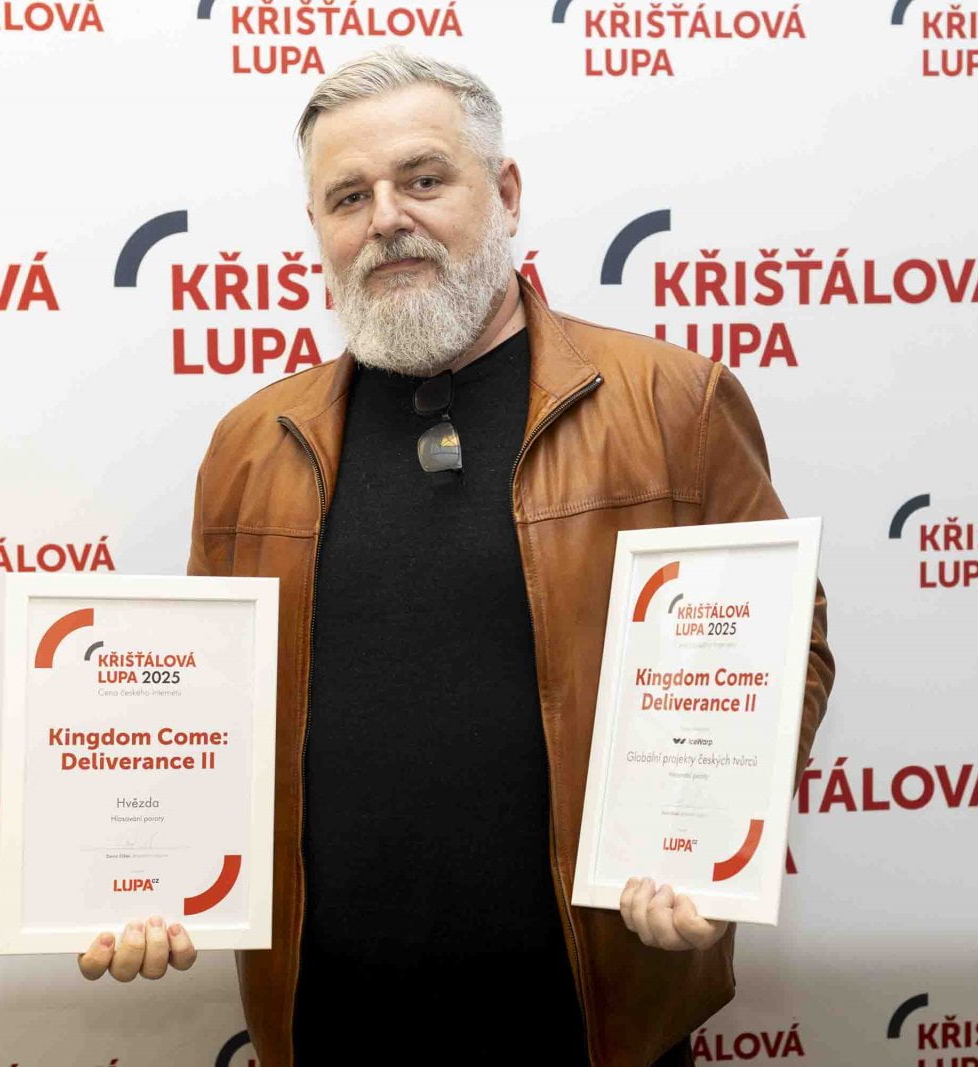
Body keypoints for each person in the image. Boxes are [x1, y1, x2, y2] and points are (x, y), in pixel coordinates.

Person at [78, 46, 835, 1067]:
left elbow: (785, 646)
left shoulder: (672, 405)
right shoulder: (251, 444)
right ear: (319, 228)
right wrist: (144, 876)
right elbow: (199, 716)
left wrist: (711, 845)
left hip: (588, 1017)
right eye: (350, 196)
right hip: (331, 1022)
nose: (386, 218)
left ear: (505, 192)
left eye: (424, 179)